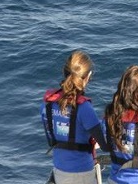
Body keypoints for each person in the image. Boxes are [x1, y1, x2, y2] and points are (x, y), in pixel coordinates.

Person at [41, 50, 108, 184]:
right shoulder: (84, 108)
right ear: (88, 76)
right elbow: (105, 146)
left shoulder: (47, 105)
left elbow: (53, 140)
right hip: (82, 173)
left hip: (59, 171)